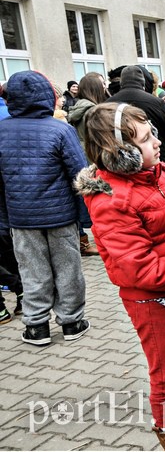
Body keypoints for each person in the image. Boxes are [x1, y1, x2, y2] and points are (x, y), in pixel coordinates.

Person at [75, 102, 165, 451]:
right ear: (121, 153)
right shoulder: (112, 200)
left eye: (152, 133)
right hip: (152, 301)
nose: (156, 142)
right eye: (144, 139)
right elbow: (139, 268)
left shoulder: (158, 176)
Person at [0, 70, 89, 346]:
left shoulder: (1, 131)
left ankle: (37, 326)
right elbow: (80, 174)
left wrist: (3, 219)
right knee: (68, 268)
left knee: (31, 270)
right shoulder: (61, 129)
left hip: (21, 218)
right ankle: (72, 321)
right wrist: (86, 217)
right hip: (61, 216)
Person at [106, 65, 165, 163]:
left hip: (120, 159)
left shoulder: (107, 104)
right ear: (143, 83)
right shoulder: (156, 102)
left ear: (121, 82)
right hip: (155, 158)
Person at [68, 72, 107, 256]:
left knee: (90, 204)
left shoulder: (77, 108)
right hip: (94, 159)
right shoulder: (93, 111)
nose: (105, 87)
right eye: (101, 85)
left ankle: (89, 242)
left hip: (81, 158)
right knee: (99, 207)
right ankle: (105, 243)